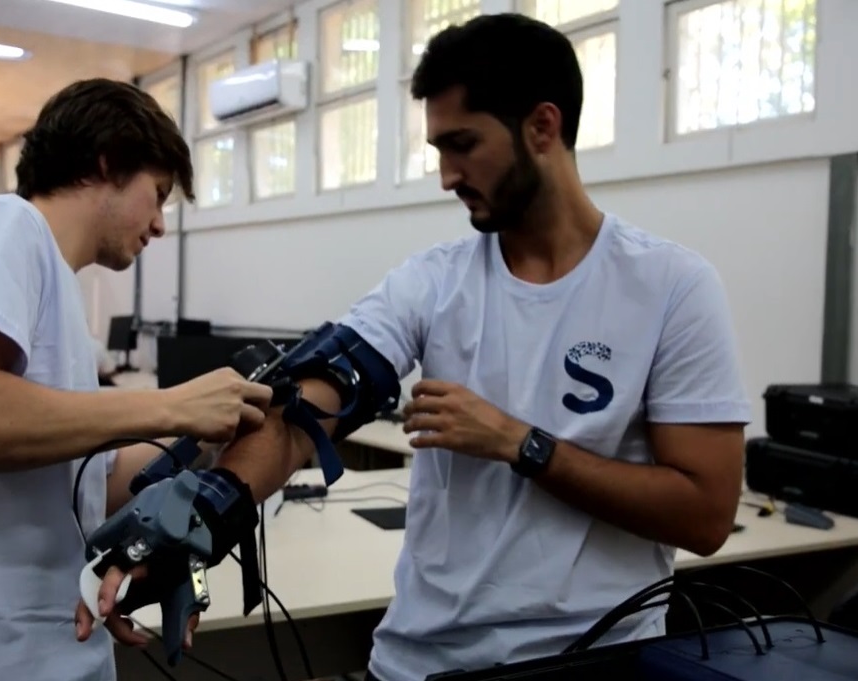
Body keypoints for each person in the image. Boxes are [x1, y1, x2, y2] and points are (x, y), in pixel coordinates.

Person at [148, 13, 752, 681]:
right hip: (421, 660)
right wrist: (202, 515)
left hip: (596, 657)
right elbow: (305, 410)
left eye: (462, 144)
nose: (445, 175)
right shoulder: (433, 281)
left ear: (542, 127)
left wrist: (522, 443)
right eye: (437, 148)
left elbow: (703, 516)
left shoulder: (670, 286)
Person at [0, 78, 274, 681]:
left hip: (32, 645)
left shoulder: (58, 287)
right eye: (159, 194)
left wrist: (206, 439)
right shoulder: (4, 226)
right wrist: (170, 407)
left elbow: (89, 476)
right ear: (110, 161)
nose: (159, 225)